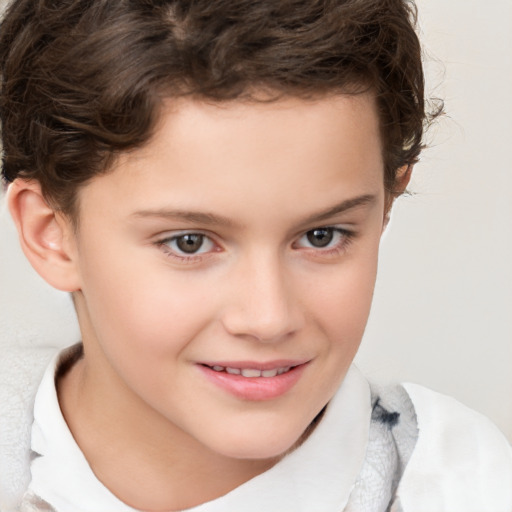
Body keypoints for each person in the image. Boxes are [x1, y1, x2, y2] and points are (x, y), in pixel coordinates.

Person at [0, 0, 511, 511]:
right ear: (51, 233)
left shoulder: (466, 488)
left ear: (385, 205)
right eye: (190, 243)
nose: (268, 318)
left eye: (321, 236)